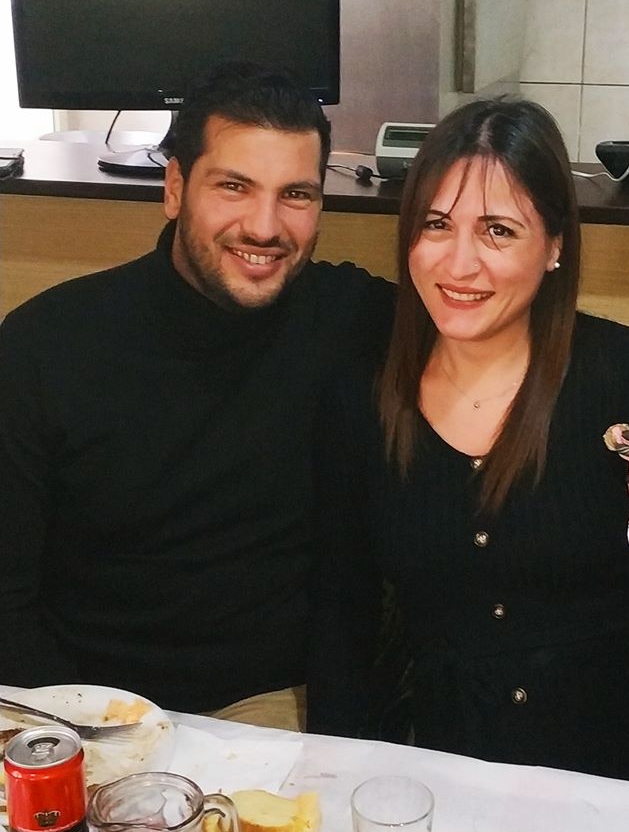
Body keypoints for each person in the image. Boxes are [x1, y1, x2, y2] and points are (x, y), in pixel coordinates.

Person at [307, 97, 629, 790]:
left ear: (554, 245)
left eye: (497, 230)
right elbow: (341, 613)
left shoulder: (620, 371)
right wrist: (331, 778)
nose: (459, 263)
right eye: (436, 224)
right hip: (461, 767)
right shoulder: (363, 396)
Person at [0, 62, 393, 727]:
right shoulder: (46, 345)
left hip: (269, 707)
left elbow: (493, 318)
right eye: (234, 186)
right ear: (176, 188)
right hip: (81, 703)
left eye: (296, 194)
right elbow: (6, 597)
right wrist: (77, 736)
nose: (264, 227)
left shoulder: (347, 318)